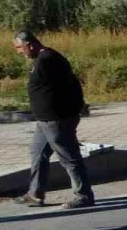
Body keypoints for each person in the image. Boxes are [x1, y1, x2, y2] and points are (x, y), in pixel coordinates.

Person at [12, 31, 95, 209]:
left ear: (30, 44)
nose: (19, 52)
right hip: (45, 121)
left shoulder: (49, 59)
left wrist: (73, 110)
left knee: (68, 157)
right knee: (37, 152)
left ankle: (84, 195)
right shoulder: (42, 59)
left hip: (57, 119)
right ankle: (35, 193)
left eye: (19, 47)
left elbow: (70, 85)